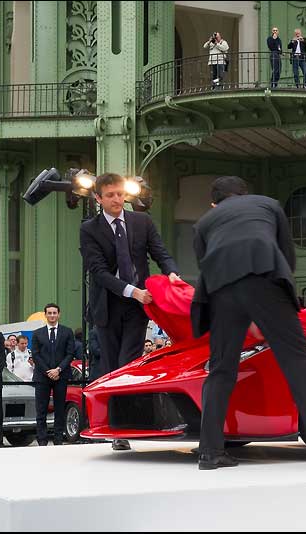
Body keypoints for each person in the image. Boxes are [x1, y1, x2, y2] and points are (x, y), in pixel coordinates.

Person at [190, 176, 306, 469]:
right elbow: (286, 254)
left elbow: (202, 261)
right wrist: (272, 307)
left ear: (214, 203)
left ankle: (209, 451)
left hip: (219, 290)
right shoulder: (268, 204)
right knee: (296, 358)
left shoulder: (204, 223)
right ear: (246, 194)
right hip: (263, 275)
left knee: (221, 369)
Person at [79, 172, 181, 450]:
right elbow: (98, 272)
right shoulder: (90, 229)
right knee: (113, 367)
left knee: (130, 364)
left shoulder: (142, 221)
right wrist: (133, 291)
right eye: (110, 195)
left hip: (138, 306)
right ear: (98, 198)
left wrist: (172, 273)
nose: (117, 199)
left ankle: (131, 422)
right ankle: (117, 431)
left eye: (120, 194)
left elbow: (160, 253)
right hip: (108, 306)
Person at [31, 303, 75, 446]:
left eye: (54, 313)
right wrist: (48, 371)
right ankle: (42, 441)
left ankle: (58, 440)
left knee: (60, 409)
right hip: (42, 377)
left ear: (59, 314)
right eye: (49, 313)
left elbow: (70, 354)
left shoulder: (67, 332)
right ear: (45, 315)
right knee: (41, 410)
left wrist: (58, 370)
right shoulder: (37, 333)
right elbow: (36, 355)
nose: (52, 315)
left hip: (61, 376)